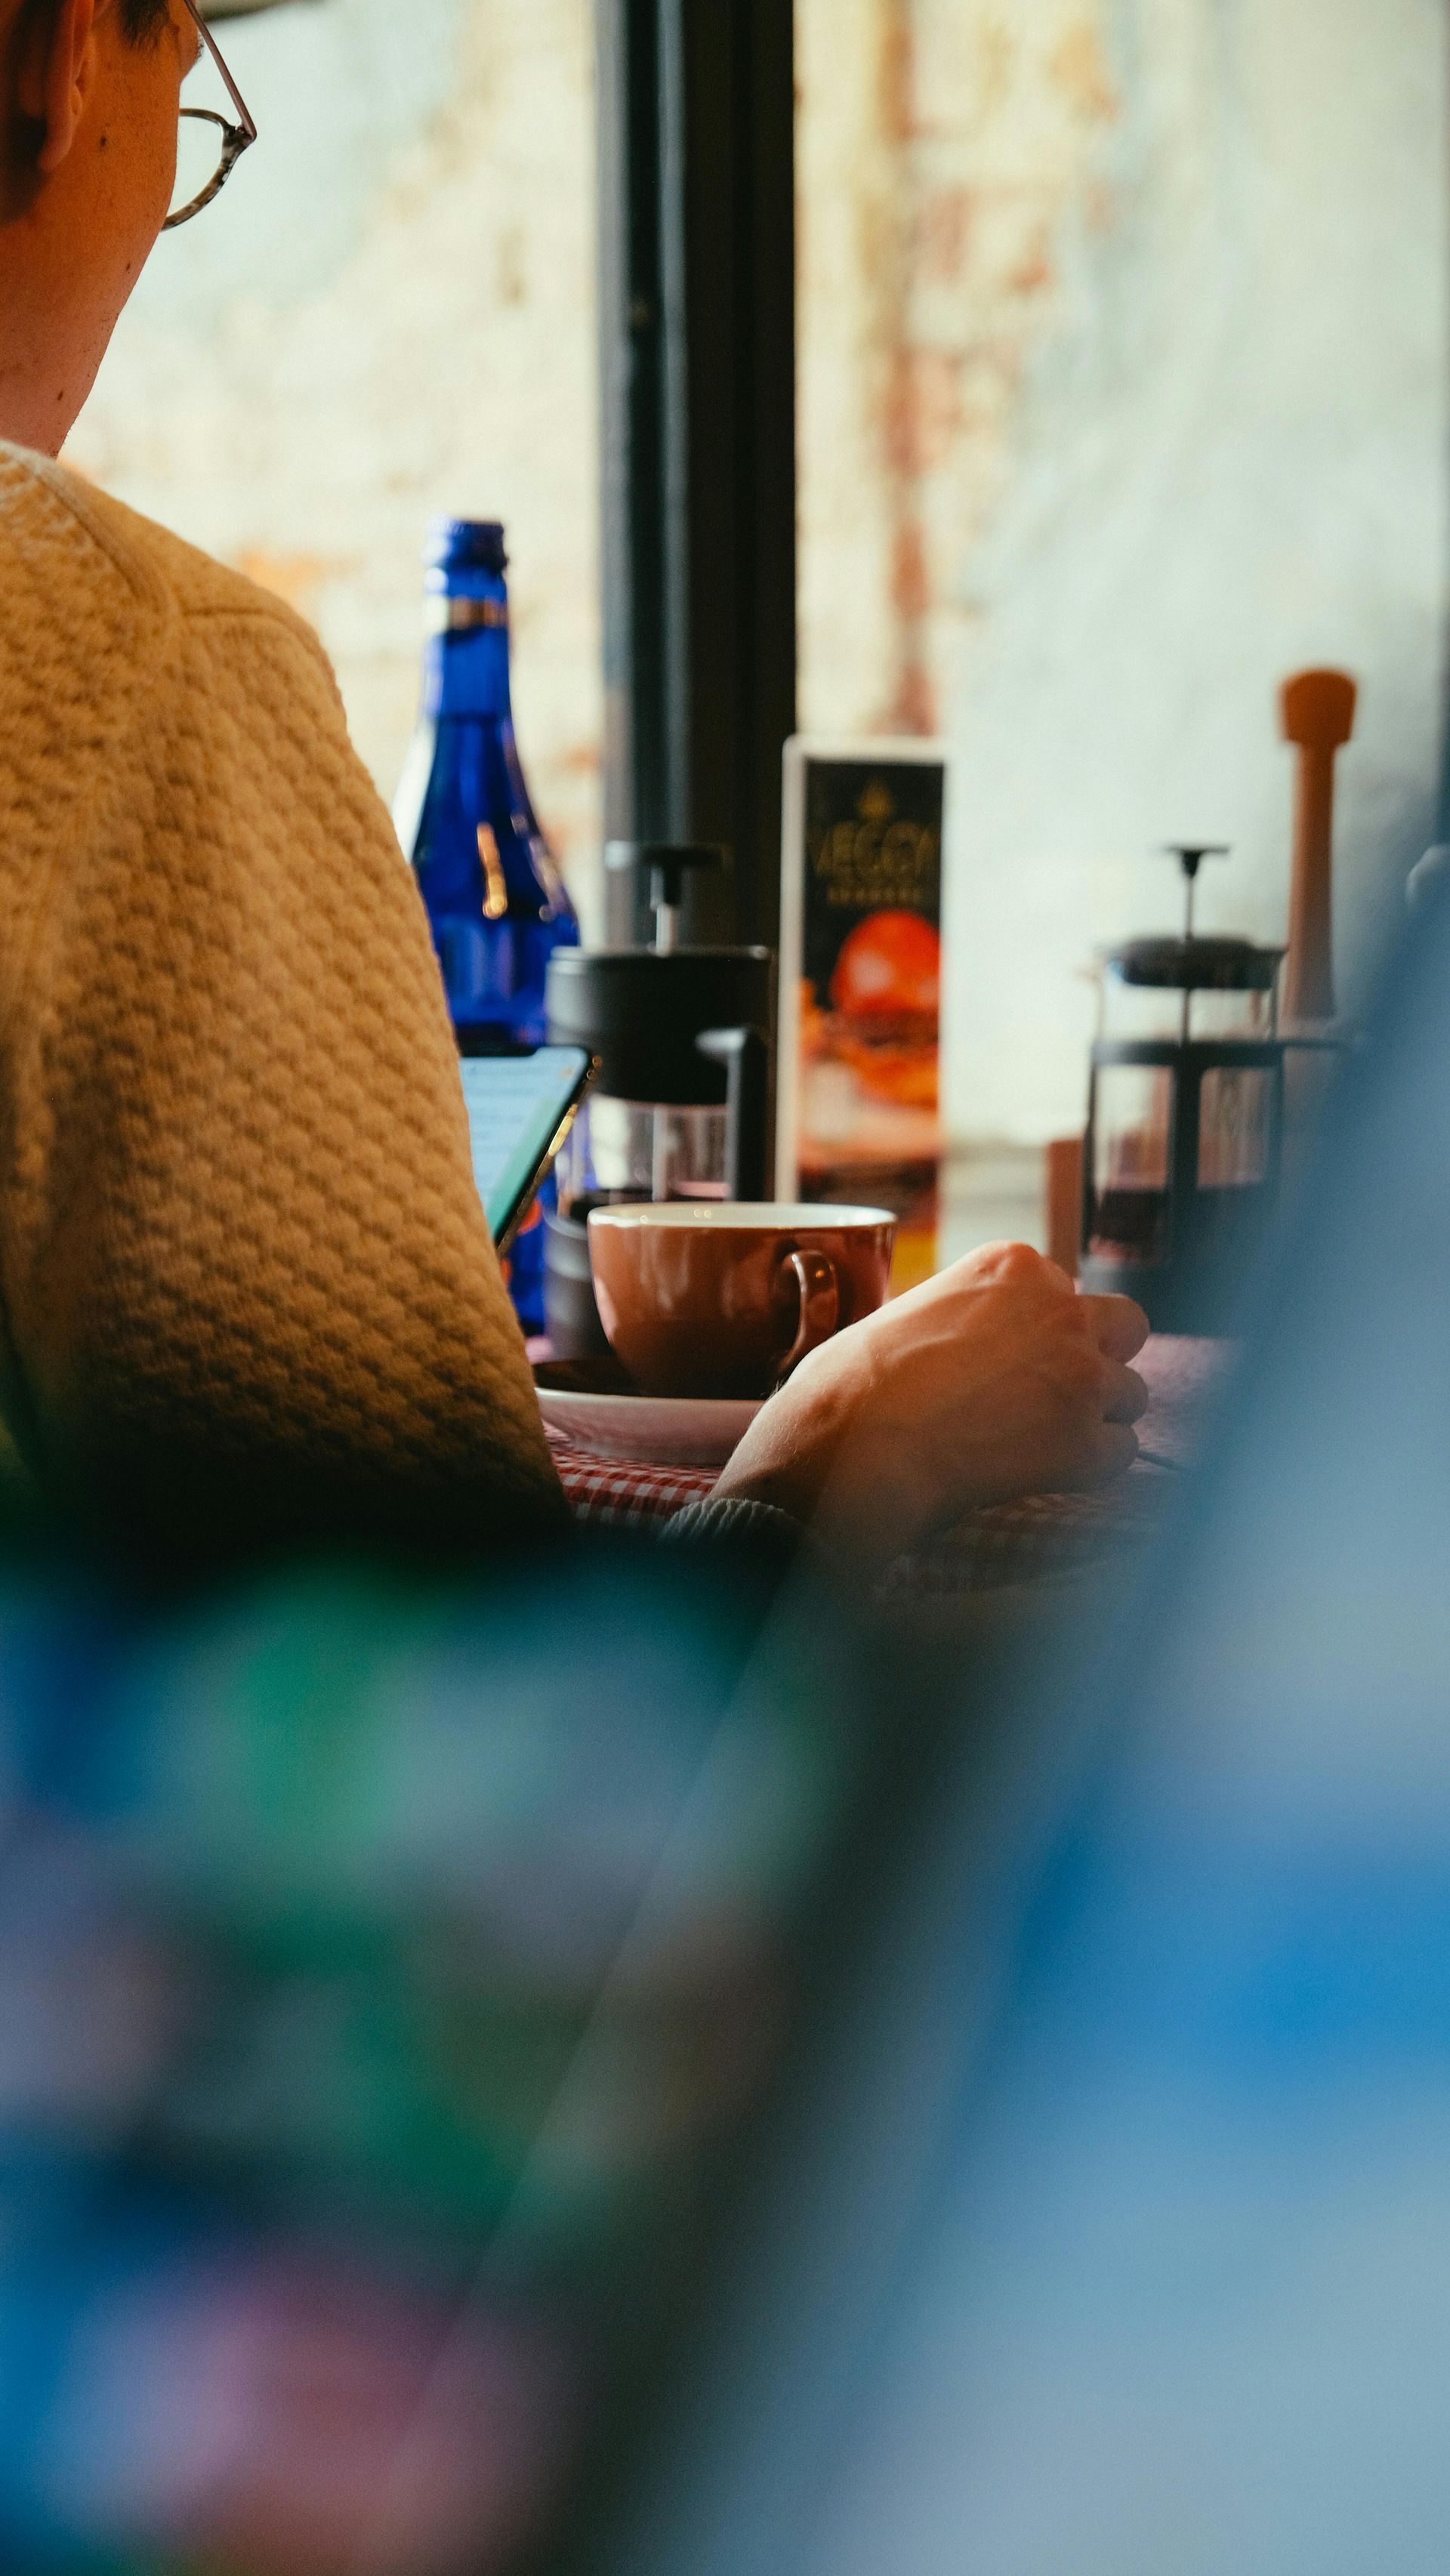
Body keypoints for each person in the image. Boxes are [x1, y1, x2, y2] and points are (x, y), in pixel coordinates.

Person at [0, 0, 1148, 1573]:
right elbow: (442, 1718)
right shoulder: (123, 647)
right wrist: (851, 1446)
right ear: (61, 66)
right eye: (182, 101)